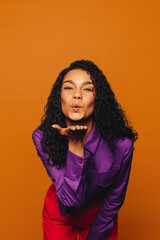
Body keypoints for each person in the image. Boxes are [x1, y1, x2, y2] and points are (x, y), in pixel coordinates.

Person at [32, 60, 138, 240]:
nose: (77, 95)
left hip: (101, 217)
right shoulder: (43, 137)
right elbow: (70, 200)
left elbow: (115, 198)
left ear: (99, 99)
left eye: (87, 89)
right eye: (69, 88)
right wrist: (75, 145)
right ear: (59, 97)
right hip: (60, 214)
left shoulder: (122, 144)